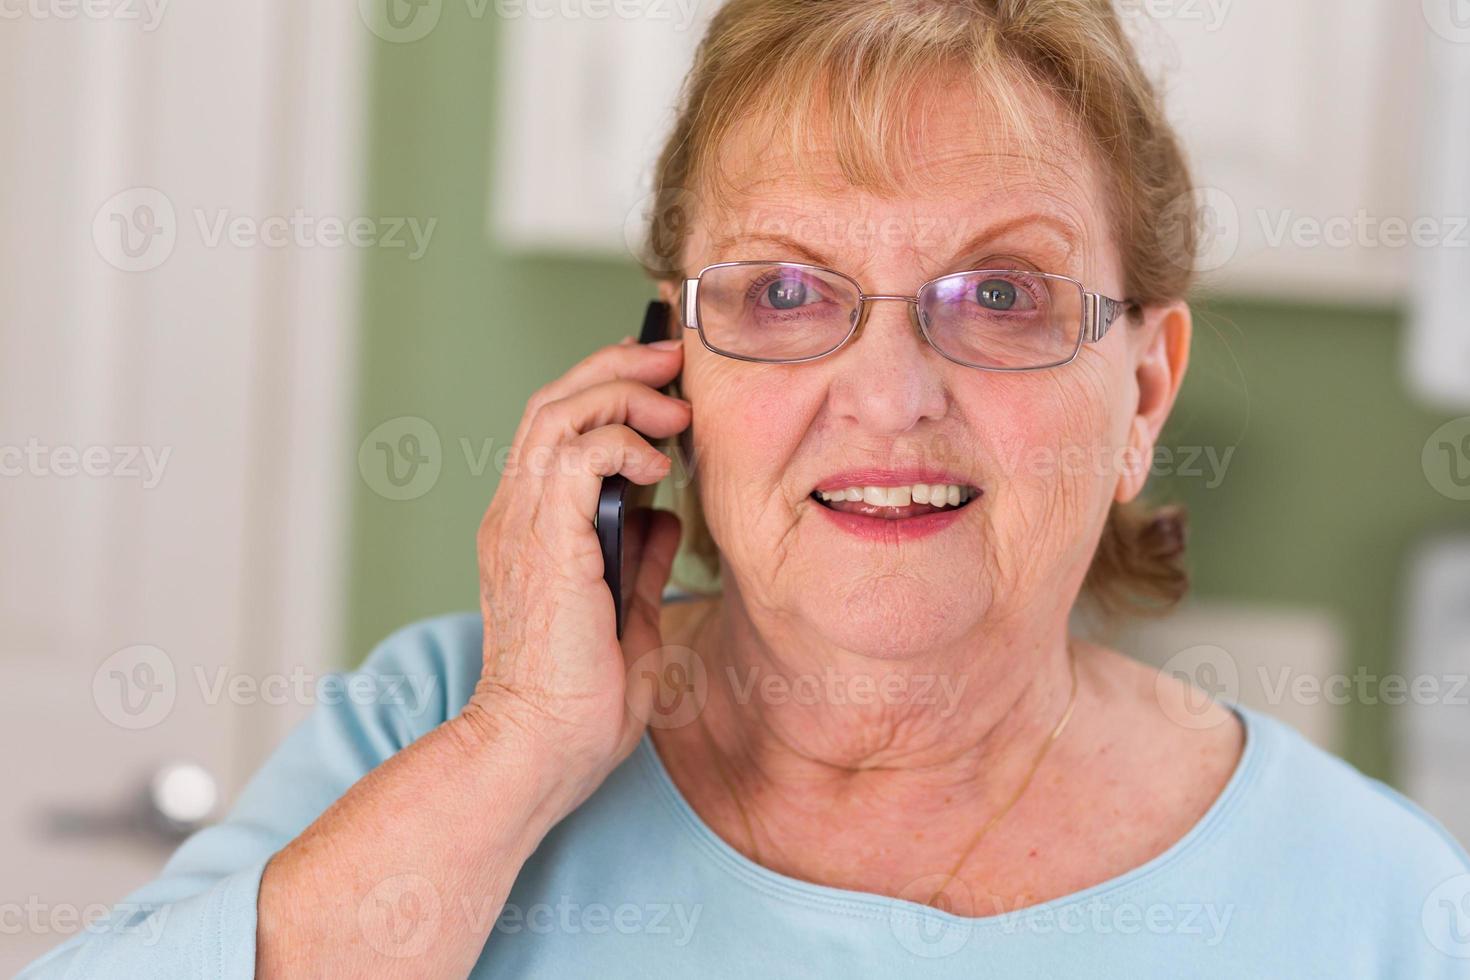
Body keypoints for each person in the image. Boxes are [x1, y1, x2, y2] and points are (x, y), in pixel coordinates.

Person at [25, 0, 1470, 976]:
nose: (890, 392)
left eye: (1003, 293)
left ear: (1141, 390)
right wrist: (518, 750)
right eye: (785, 289)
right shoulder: (442, 729)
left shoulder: (1381, 910)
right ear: (674, 368)